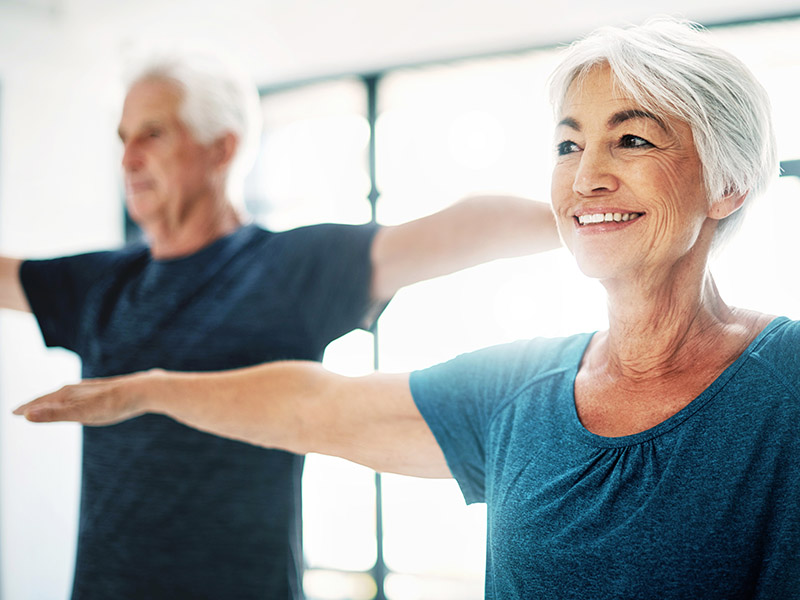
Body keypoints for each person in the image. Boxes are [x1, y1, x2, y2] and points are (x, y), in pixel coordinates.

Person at [15, 17, 799, 599]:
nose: (587, 175)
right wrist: (142, 390)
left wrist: (579, 220)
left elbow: (454, 229)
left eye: (631, 142)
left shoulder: (786, 381)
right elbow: (318, 405)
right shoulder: (523, 389)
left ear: (728, 182)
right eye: (568, 147)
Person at [0, 48, 561, 600]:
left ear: (222, 148)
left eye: (153, 134)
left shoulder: (286, 268)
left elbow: (462, 228)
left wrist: (597, 220)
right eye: (124, 140)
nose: (128, 160)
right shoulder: (104, 283)